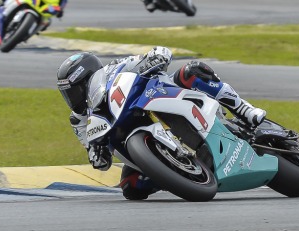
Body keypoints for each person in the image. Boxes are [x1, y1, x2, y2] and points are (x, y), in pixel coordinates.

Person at [56, 47, 266, 200]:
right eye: (67, 93)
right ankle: (177, 174)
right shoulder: (79, 120)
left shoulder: (116, 68)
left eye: (74, 90)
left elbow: (159, 52)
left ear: (89, 79)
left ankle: (242, 108)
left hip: (164, 95)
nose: (72, 98)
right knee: (131, 187)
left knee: (191, 71)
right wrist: (96, 153)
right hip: (133, 136)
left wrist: (155, 59)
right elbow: (93, 151)